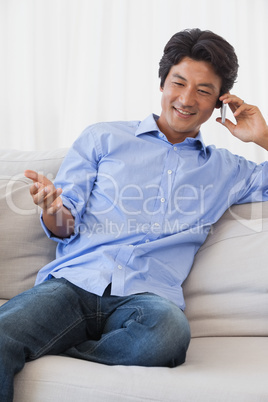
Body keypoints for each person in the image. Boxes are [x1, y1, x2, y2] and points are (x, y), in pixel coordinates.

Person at [1, 28, 268, 401]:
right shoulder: (103, 138)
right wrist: (51, 208)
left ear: (220, 102)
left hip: (148, 300)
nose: (187, 99)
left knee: (168, 335)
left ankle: (58, 349)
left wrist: (263, 137)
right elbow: (63, 226)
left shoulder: (229, 171)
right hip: (73, 284)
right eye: (178, 83)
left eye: (204, 91)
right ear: (162, 83)